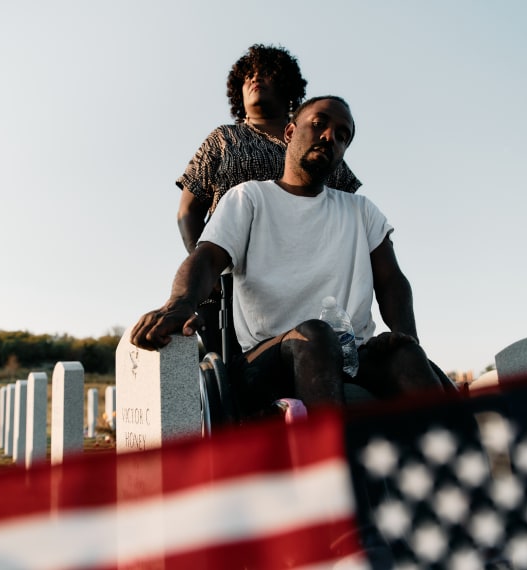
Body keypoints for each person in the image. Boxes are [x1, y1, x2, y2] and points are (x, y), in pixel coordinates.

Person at [133, 96, 447, 419]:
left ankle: (451, 459)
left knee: (407, 355)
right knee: (315, 335)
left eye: (342, 136)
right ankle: (327, 465)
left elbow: (392, 280)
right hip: (269, 357)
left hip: (353, 354)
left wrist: (403, 333)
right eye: (319, 124)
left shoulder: (361, 211)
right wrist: (180, 303)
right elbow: (208, 258)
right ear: (289, 132)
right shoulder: (249, 198)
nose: (330, 137)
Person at [176, 44, 361, 355]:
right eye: (247, 76)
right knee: (240, 381)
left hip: (305, 282)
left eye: (265, 72)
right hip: (228, 283)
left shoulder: (319, 144)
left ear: (286, 85)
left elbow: (348, 216)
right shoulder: (224, 139)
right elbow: (188, 210)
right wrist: (207, 274)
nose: (254, 79)